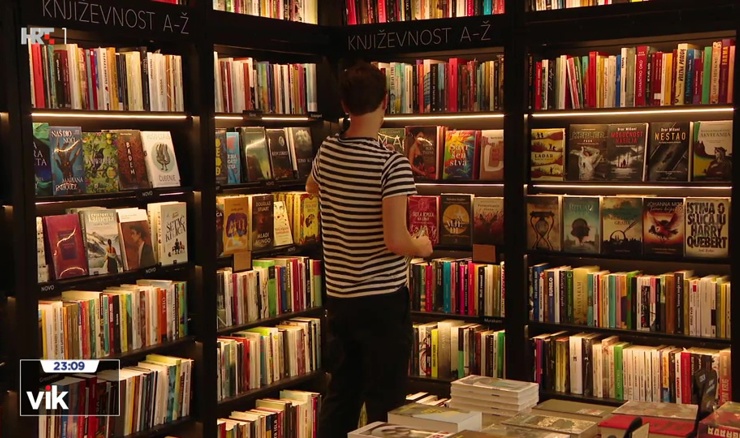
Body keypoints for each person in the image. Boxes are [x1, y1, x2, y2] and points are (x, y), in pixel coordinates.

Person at [306, 61, 434, 438]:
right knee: (386, 401)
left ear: (345, 105)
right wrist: (421, 245)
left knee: (342, 395)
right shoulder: (391, 164)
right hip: (382, 301)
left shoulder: (328, 151)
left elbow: (312, 187)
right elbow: (395, 240)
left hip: (341, 297)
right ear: (385, 102)